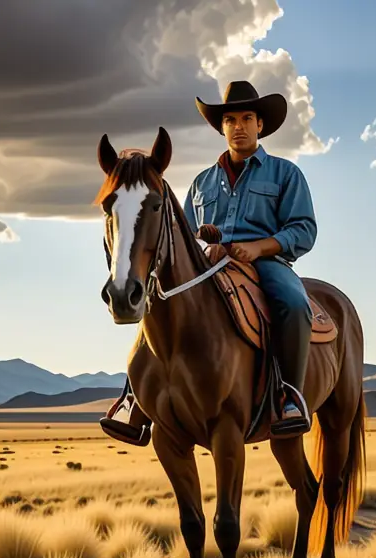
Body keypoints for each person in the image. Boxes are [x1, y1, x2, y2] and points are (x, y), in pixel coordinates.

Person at [101, 80, 318, 446]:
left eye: (247, 118)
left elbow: (304, 229)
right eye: (231, 120)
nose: (239, 126)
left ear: (260, 125)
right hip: (208, 267)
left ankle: (289, 398)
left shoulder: (285, 174)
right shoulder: (203, 181)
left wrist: (258, 247)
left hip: (265, 265)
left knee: (294, 304)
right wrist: (205, 241)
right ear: (222, 128)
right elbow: (181, 232)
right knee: (158, 303)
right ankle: (136, 398)